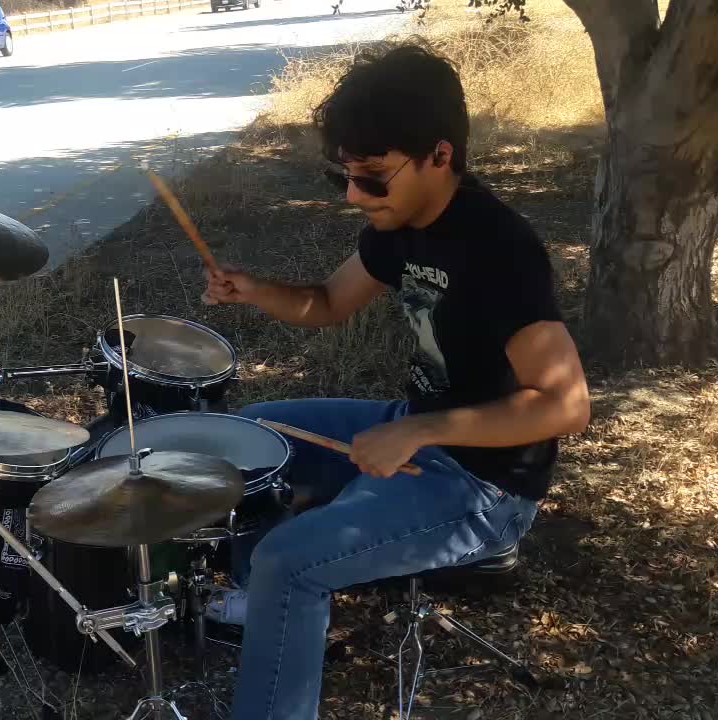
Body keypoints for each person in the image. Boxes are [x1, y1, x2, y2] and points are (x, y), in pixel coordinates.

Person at [200, 41, 591, 720]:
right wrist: (254, 289)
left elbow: (566, 405)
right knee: (249, 434)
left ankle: (275, 600)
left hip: (485, 485)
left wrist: (419, 429)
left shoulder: (499, 248)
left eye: (373, 177)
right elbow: (326, 303)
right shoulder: (399, 222)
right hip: (415, 428)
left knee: (290, 562)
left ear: (440, 156)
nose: (355, 195)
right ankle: (253, 603)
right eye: (343, 177)